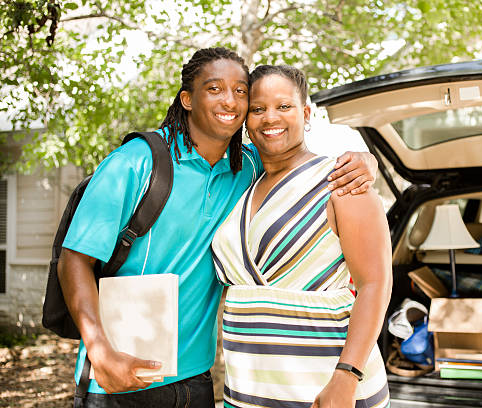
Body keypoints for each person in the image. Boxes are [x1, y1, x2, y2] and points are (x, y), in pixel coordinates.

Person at [57, 48, 378, 408]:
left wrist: (366, 161)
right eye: (214, 88)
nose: (231, 100)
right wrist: (99, 351)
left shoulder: (248, 170)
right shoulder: (134, 163)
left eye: (241, 91)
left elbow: (294, 151)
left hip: (196, 380)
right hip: (119, 374)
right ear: (187, 99)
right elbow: (73, 260)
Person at [212, 65, 392, 408]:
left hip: (328, 388)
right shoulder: (240, 185)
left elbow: (376, 284)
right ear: (246, 121)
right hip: (251, 390)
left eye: (284, 106)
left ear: (305, 113)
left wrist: (347, 376)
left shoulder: (341, 182)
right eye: (258, 109)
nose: (269, 118)